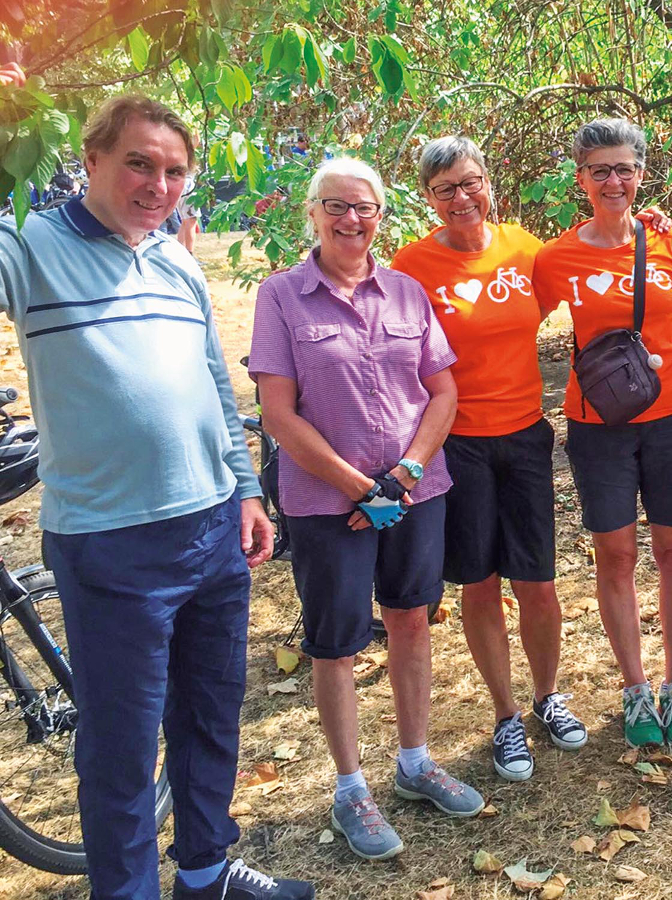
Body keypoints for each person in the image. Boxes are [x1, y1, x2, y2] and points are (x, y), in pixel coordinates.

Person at [0, 91, 312, 899]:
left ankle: (206, 871)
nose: (158, 184)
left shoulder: (174, 258)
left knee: (210, 718)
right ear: (93, 160)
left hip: (211, 525)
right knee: (122, 749)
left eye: (175, 170)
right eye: (139, 162)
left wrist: (246, 491)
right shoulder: (30, 246)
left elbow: (213, 378)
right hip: (110, 543)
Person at [250, 157, 484, 864]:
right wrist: (361, 488)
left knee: (412, 619)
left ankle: (415, 764)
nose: (352, 220)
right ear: (314, 212)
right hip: (328, 504)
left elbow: (441, 392)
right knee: (338, 642)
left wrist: (404, 474)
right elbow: (277, 413)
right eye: (337, 206)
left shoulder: (408, 293)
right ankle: (351, 788)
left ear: (382, 215)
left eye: (366, 208)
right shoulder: (282, 297)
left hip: (416, 491)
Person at [390, 136, 589, 782]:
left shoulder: (523, 250)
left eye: (469, 182)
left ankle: (545, 696)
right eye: (445, 188)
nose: (461, 197)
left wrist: (641, 223)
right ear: (428, 198)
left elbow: (590, 264)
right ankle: (506, 717)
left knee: (539, 581)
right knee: (481, 583)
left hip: (526, 435)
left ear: (487, 183)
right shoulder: (410, 265)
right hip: (457, 444)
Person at [533, 118, 672, 748]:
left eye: (624, 168)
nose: (613, 181)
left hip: (671, 418)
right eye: (599, 170)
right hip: (600, 426)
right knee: (614, 555)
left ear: (641, 173)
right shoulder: (557, 257)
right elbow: (511, 324)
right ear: (581, 178)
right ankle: (634, 688)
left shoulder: (669, 244)